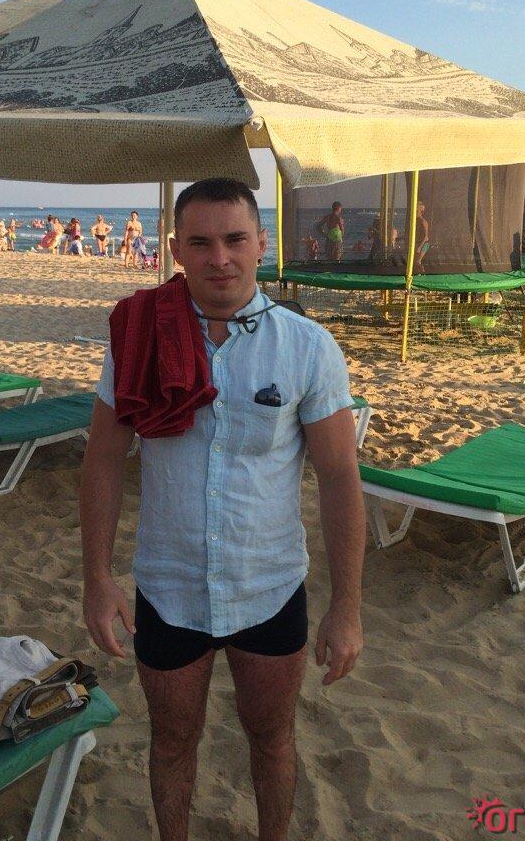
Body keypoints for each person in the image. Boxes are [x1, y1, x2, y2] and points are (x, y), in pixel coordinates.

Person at [80, 177, 365, 841]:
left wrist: (347, 606)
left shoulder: (306, 346)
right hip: (167, 586)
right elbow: (103, 460)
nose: (220, 259)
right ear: (176, 249)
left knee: (272, 738)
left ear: (262, 243)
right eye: (201, 243)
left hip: (269, 585)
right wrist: (97, 578)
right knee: (173, 740)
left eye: (235, 240)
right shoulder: (138, 336)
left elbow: (338, 476)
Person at [414, 203, 430, 273]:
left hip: (424, 244)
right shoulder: (416, 221)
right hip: (418, 243)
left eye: (417, 211)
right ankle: (418, 273)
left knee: (418, 261)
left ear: (421, 212)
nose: (415, 213)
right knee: (415, 261)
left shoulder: (423, 222)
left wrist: (420, 247)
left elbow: (425, 236)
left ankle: (423, 273)